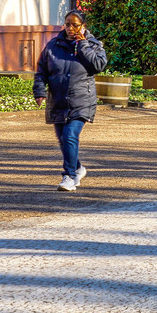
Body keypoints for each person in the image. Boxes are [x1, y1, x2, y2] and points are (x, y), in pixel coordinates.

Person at [32, 10, 107, 192]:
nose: (71, 28)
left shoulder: (93, 45)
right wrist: (39, 91)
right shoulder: (53, 46)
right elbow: (42, 71)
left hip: (81, 100)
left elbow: (98, 65)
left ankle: (70, 177)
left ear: (83, 26)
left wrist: (83, 44)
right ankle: (78, 168)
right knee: (63, 140)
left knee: (70, 136)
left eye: (75, 25)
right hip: (58, 101)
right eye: (67, 24)